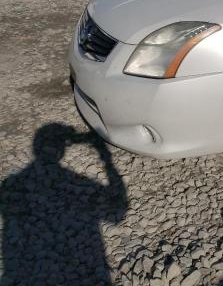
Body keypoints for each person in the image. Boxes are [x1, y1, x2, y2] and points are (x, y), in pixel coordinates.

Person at [0, 123, 128, 286]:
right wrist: (106, 158)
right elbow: (118, 211)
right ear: (61, 149)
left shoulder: (11, 184)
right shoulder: (78, 182)